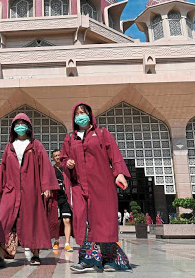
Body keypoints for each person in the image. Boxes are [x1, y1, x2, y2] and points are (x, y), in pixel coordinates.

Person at [60, 102, 132, 273]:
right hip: (79, 186)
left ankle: (110, 260)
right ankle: (87, 259)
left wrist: (119, 173)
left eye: (83, 112)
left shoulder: (102, 133)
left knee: (103, 221)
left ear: (90, 115)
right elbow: (63, 159)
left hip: (102, 185)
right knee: (81, 219)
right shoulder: (70, 138)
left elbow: (114, 154)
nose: (80, 116)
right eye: (77, 113)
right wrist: (67, 163)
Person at [0, 113, 59, 268]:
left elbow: (45, 166)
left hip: (31, 190)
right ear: (13, 127)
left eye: (23, 123)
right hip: (11, 190)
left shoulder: (36, 145)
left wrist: (46, 187)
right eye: (17, 124)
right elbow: (4, 169)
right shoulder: (9, 146)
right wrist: (0, 188)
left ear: (28, 126)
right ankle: (0, 255)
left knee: (32, 221)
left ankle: (35, 255)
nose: (20, 126)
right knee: (4, 221)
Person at [48, 149, 73, 252]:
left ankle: (67, 243)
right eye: (55, 156)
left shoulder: (67, 168)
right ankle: (57, 241)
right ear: (53, 158)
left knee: (67, 220)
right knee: (57, 221)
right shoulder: (51, 169)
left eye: (59, 155)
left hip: (65, 197)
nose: (58, 157)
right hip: (55, 197)